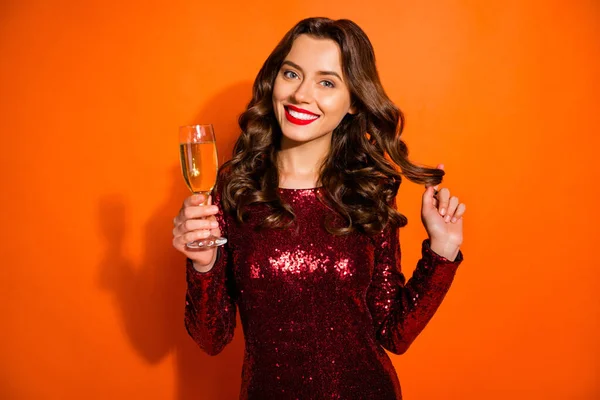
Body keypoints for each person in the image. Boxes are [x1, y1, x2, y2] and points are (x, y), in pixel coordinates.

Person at [172, 17, 466, 400]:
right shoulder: (233, 187)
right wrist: (203, 265)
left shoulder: (369, 190)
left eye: (327, 82)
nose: (301, 95)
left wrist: (441, 252)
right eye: (292, 74)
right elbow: (211, 340)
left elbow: (395, 334)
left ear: (354, 102)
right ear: (274, 80)